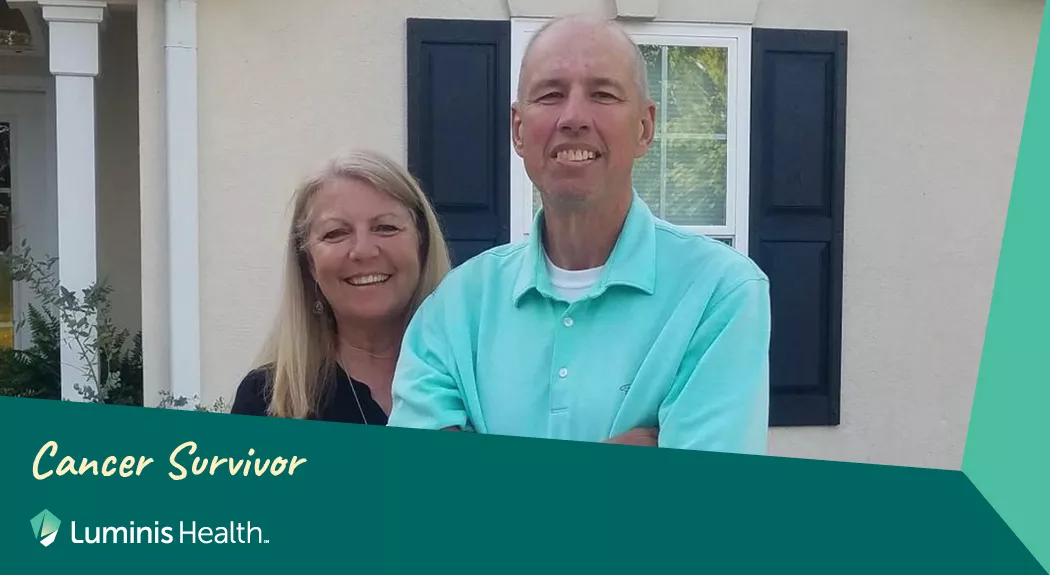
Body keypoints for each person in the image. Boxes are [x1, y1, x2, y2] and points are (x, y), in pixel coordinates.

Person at [387, 15, 771, 454]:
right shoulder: (457, 306)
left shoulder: (720, 293)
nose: (573, 117)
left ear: (645, 127)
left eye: (603, 94)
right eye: (550, 95)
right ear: (518, 128)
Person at [231, 150, 453, 424]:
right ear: (309, 264)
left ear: (422, 243)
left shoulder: (478, 381)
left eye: (386, 227)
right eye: (336, 233)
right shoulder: (265, 402)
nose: (363, 251)